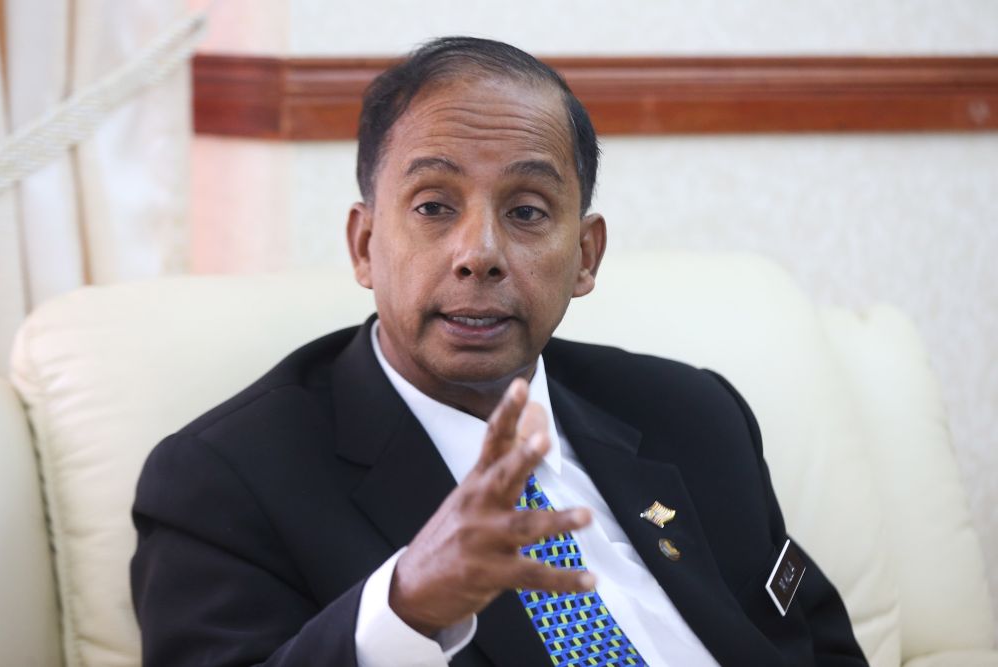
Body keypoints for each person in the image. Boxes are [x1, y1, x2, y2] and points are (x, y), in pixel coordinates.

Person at [130, 36, 868, 666]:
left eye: (525, 211)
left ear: (585, 256)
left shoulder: (695, 415)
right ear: (364, 245)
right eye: (433, 206)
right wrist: (408, 605)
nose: (478, 253)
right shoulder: (222, 481)